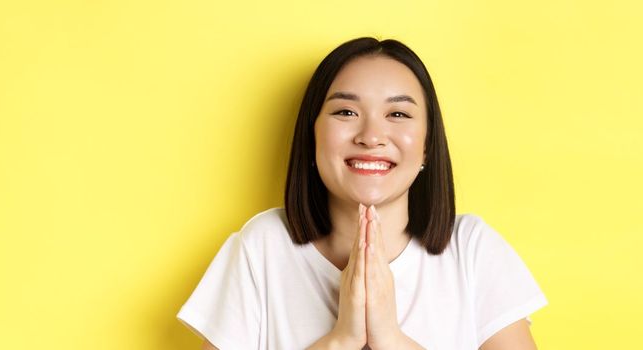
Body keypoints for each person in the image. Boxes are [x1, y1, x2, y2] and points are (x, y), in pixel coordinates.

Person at [176, 37, 547, 349]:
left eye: (398, 115)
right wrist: (342, 338)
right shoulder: (263, 247)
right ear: (313, 135)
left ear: (428, 146)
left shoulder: (472, 250)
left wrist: (390, 337)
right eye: (346, 112)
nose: (371, 136)